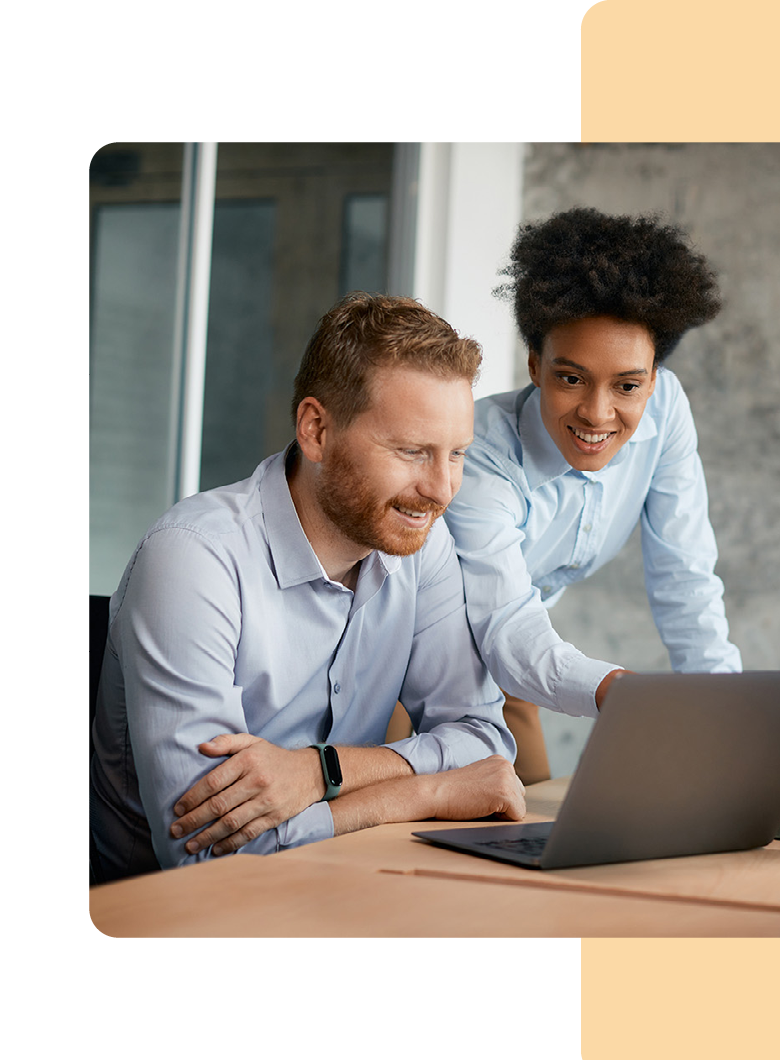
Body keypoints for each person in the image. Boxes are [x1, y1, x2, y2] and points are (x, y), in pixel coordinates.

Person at [90, 293, 524, 883]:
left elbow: (483, 740)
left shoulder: (422, 542)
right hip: (179, 917)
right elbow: (205, 854)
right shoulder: (193, 559)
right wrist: (423, 794)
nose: (442, 489)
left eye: (457, 455)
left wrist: (320, 772)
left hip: (344, 890)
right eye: (412, 452)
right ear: (316, 429)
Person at [443, 207, 742, 783]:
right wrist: (617, 691)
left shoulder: (666, 411)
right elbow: (503, 623)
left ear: (653, 379)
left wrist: (726, 712)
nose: (598, 413)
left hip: (520, 663)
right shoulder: (479, 453)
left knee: (529, 829)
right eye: (571, 378)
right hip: (417, 668)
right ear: (535, 364)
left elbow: (686, 576)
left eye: (628, 385)